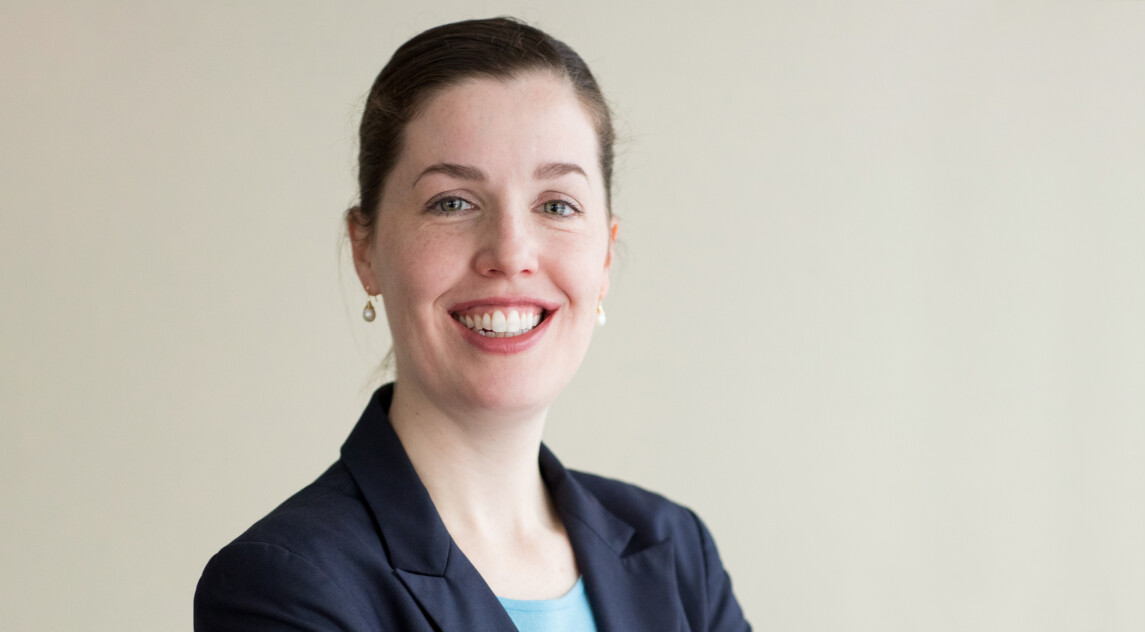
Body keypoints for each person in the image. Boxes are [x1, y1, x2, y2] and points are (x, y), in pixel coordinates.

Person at [194, 17, 750, 632]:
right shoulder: (283, 585)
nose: (510, 253)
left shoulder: (678, 556)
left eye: (557, 205)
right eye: (452, 202)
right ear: (366, 249)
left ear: (606, 256)